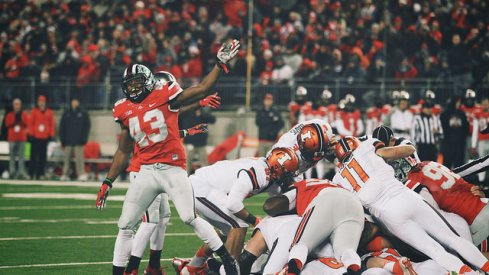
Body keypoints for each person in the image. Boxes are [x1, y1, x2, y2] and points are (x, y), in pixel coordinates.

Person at [95, 39, 241, 275]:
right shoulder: (123, 108)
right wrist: (107, 181)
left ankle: (226, 258)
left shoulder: (165, 94)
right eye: (129, 85)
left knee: (188, 217)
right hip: (145, 171)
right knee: (125, 224)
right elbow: (124, 150)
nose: (132, 89)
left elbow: (202, 88)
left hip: (172, 168)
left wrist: (218, 64)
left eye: (136, 84)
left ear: (149, 82)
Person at [331, 136, 489, 273]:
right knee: (452, 239)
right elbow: (404, 151)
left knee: (432, 250)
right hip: (405, 197)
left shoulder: (338, 180)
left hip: (388, 215)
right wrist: (406, 148)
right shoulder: (366, 147)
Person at [174, 147, 299, 274]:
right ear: (276, 169)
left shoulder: (269, 174)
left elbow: (281, 200)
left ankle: (192, 267)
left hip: (207, 187)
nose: (288, 177)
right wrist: (255, 220)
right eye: (287, 172)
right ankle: (228, 271)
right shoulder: (260, 173)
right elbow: (233, 204)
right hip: (201, 187)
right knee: (239, 224)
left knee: (228, 230)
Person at [263, 178, 365, 274]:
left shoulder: (300, 185)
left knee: (301, 244)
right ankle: (355, 271)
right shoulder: (328, 183)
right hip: (355, 204)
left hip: (327, 199)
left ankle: (292, 273)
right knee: (346, 251)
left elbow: (270, 207)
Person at [179, 97, 218, 173]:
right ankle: (186, 181)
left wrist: (202, 114)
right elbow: (179, 122)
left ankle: (206, 180)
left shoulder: (203, 109)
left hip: (201, 143)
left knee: (204, 165)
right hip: (188, 142)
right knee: (186, 166)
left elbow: (213, 119)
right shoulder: (185, 110)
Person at [59, 98, 91, 181]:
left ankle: (81, 174)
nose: (74, 103)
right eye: (73, 101)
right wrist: (62, 139)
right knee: (66, 159)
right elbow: (62, 127)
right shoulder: (66, 113)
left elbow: (86, 127)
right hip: (68, 141)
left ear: (78, 102)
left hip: (79, 141)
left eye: (76, 101)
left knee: (80, 159)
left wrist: (84, 138)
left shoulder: (83, 113)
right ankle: (65, 174)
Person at [28, 95, 55, 180]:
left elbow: (52, 124)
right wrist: (31, 134)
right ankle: (31, 173)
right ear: (38, 102)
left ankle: (40, 173)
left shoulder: (49, 112)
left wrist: (51, 134)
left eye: (43, 101)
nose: (41, 103)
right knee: (33, 156)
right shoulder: (34, 111)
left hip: (44, 138)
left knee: (42, 157)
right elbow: (30, 123)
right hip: (36, 137)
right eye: (40, 101)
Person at [440, 97, 469, 169]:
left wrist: (462, 138)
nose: (459, 104)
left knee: (459, 165)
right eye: (457, 102)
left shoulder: (462, 113)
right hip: (448, 144)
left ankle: (458, 180)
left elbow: (466, 127)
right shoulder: (445, 114)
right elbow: (442, 127)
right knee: (447, 165)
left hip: (459, 145)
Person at [4, 98, 29, 179]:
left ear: (21, 106)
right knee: (12, 157)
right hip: (12, 138)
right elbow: (7, 124)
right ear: (13, 105)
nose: (17, 106)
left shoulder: (24, 114)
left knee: (22, 157)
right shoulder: (9, 114)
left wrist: (20, 119)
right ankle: (12, 172)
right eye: (15, 104)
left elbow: (27, 123)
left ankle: (21, 172)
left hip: (21, 138)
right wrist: (15, 119)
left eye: (18, 104)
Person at [255, 92, 284, 157]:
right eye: (266, 99)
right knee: (261, 160)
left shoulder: (275, 111)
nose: (268, 101)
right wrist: (271, 120)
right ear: (264, 100)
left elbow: (281, 123)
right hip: (262, 140)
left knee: (270, 160)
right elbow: (258, 122)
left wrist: (274, 132)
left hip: (271, 140)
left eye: (270, 100)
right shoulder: (260, 111)